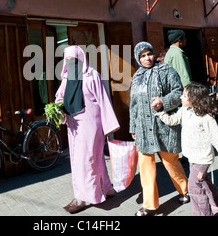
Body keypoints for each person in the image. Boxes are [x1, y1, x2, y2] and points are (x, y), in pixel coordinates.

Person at [55, 45, 120, 214]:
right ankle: (107, 188)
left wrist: (109, 126)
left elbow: (103, 99)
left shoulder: (92, 76)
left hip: (91, 125)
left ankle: (83, 197)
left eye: (74, 60)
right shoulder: (67, 78)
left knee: (88, 161)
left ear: (81, 60)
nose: (71, 64)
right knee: (85, 160)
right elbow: (60, 96)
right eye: (67, 60)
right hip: (73, 126)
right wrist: (56, 107)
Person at [129, 41, 189, 216]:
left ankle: (184, 190)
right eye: (142, 55)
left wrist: (164, 101)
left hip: (164, 125)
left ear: (154, 54)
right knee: (146, 167)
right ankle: (149, 205)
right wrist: (133, 127)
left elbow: (179, 92)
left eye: (149, 54)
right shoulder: (137, 76)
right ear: (137, 58)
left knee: (170, 162)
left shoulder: (167, 70)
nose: (147, 58)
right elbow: (133, 105)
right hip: (142, 128)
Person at [157, 82, 218, 216]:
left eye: (185, 96)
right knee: (203, 182)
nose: (181, 97)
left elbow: (217, 139)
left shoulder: (206, 118)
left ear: (194, 99)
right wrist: (161, 113)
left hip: (203, 159)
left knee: (194, 186)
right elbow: (173, 120)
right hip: (191, 156)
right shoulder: (185, 110)